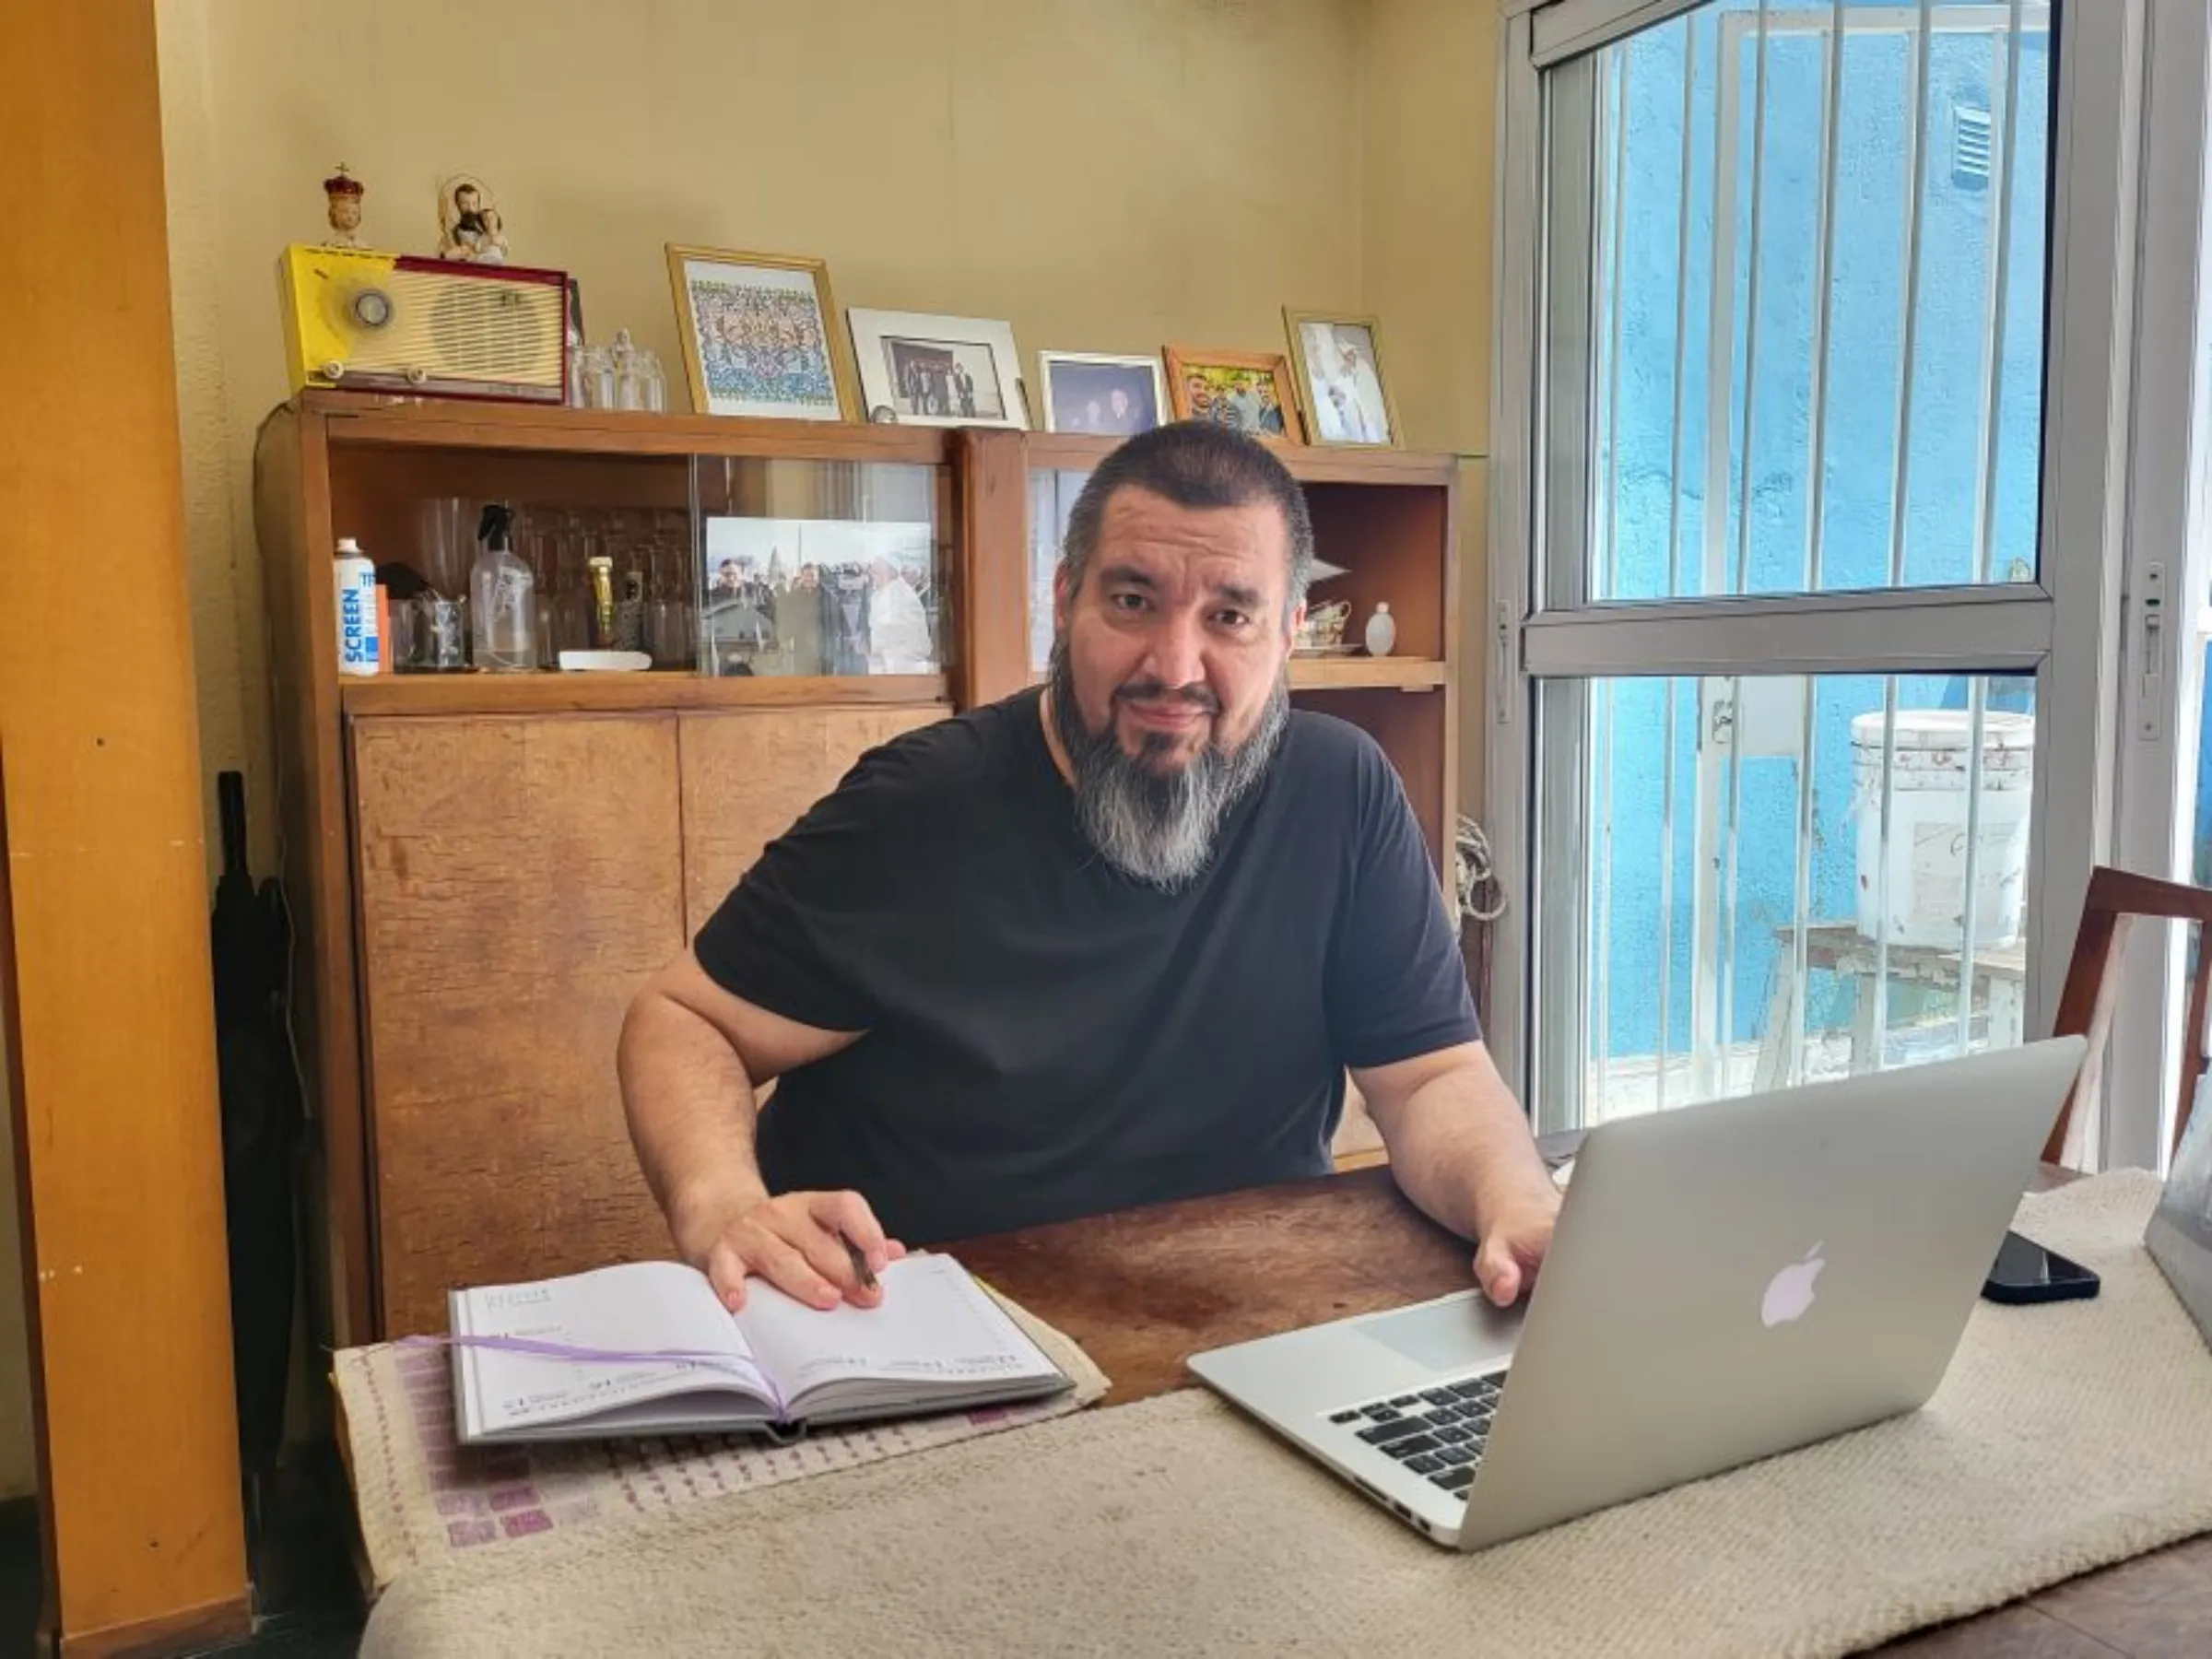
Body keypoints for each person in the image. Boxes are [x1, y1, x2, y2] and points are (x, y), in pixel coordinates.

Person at [617, 421, 1559, 1316]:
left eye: (1230, 615)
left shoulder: (1342, 792)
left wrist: (1514, 1203)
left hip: (1245, 1312)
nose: (1174, 665)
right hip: (920, 1322)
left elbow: (1430, 1078)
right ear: (1064, 601)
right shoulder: (921, 806)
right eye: (1133, 600)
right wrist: (723, 1204)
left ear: (1288, 635)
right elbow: (686, 1018)